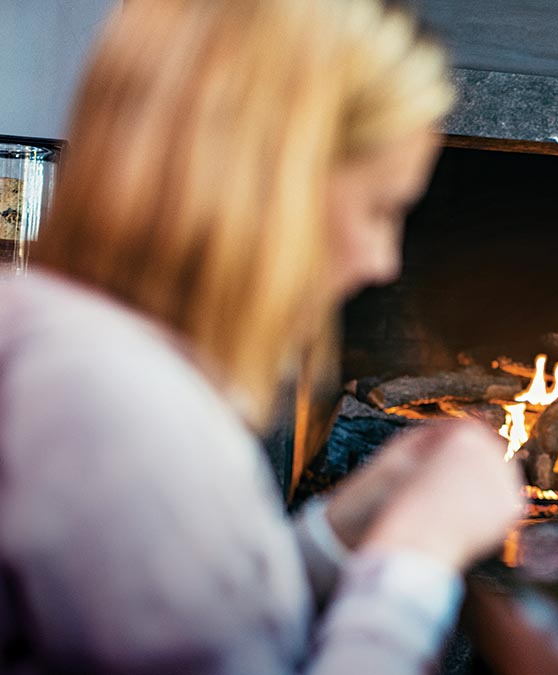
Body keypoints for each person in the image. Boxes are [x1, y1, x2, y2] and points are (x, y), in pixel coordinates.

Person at [0, 1, 524, 673]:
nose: (383, 261)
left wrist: (339, 531)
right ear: (270, 183)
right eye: (379, 208)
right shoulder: (114, 403)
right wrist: (416, 554)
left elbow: (205, 625)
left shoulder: (70, 345)